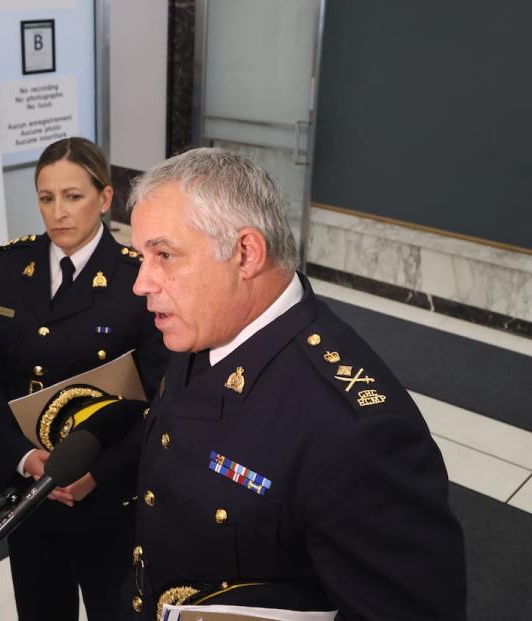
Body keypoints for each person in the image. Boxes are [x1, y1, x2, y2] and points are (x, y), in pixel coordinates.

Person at [124, 147, 467, 619]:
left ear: (245, 253)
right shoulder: (203, 328)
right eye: (141, 255)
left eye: (164, 255)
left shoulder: (357, 433)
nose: (142, 282)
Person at [0, 137, 169, 620]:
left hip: (107, 495)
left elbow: (164, 402)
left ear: (104, 199)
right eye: (46, 197)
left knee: (113, 610)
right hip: (27, 490)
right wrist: (22, 458)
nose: (58, 212)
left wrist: (97, 474)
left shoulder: (137, 279)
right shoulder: (8, 265)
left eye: (73, 197)